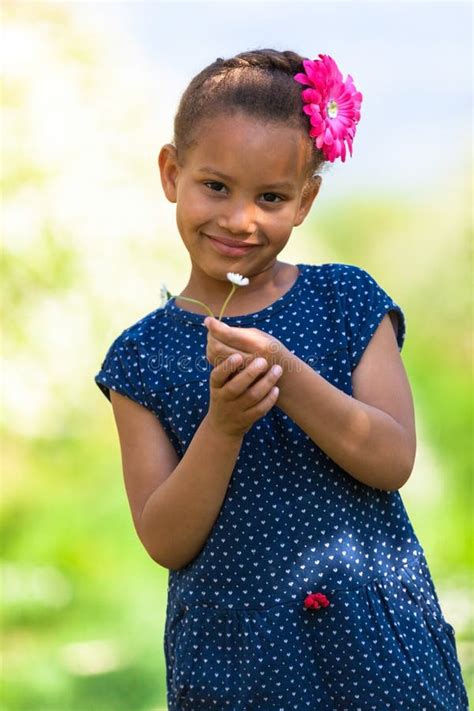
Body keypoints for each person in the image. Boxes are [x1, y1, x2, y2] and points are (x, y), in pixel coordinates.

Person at [94, 49, 469, 710]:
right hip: (238, 660)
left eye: (270, 197)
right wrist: (224, 425)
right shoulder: (141, 358)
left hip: (375, 641)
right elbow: (165, 537)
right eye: (216, 186)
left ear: (305, 200)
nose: (240, 219)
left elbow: (392, 459)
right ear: (171, 172)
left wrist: (288, 377)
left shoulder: (347, 302)